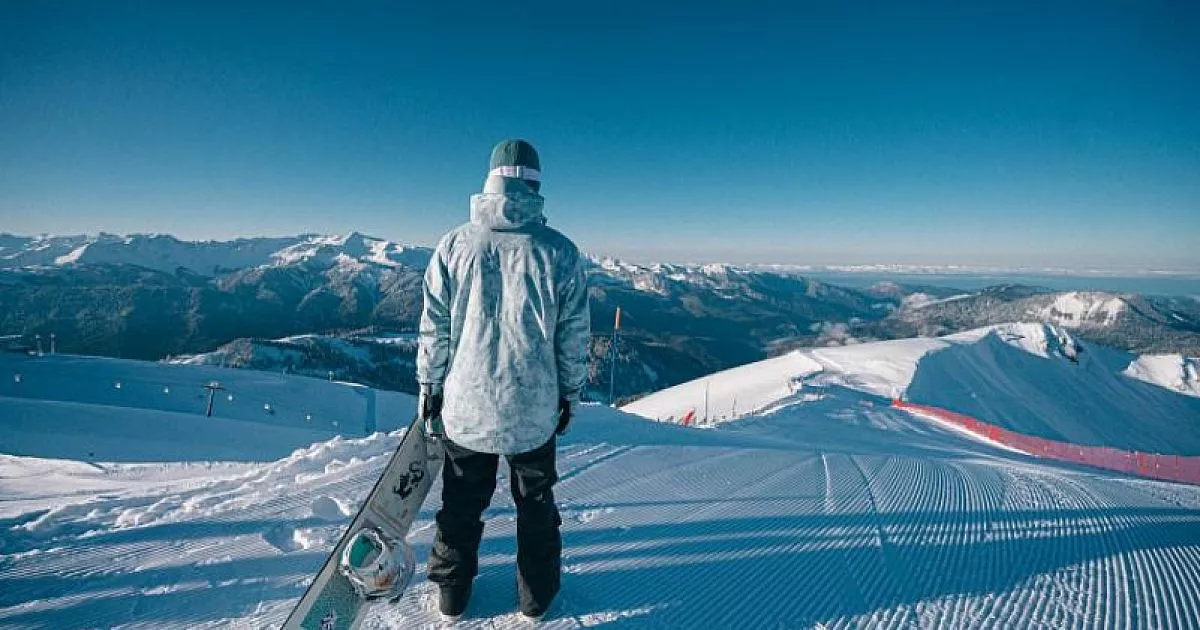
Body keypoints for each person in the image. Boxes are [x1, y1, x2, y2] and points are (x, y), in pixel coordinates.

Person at [416, 139, 591, 620]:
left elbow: (434, 327)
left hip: (466, 406)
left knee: (460, 503)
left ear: (489, 181)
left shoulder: (454, 245)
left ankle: (452, 596)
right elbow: (573, 336)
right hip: (533, 407)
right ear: (536, 184)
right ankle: (536, 599)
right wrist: (570, 394)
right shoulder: (559, 252)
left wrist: (430, 387)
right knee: (536, 505)